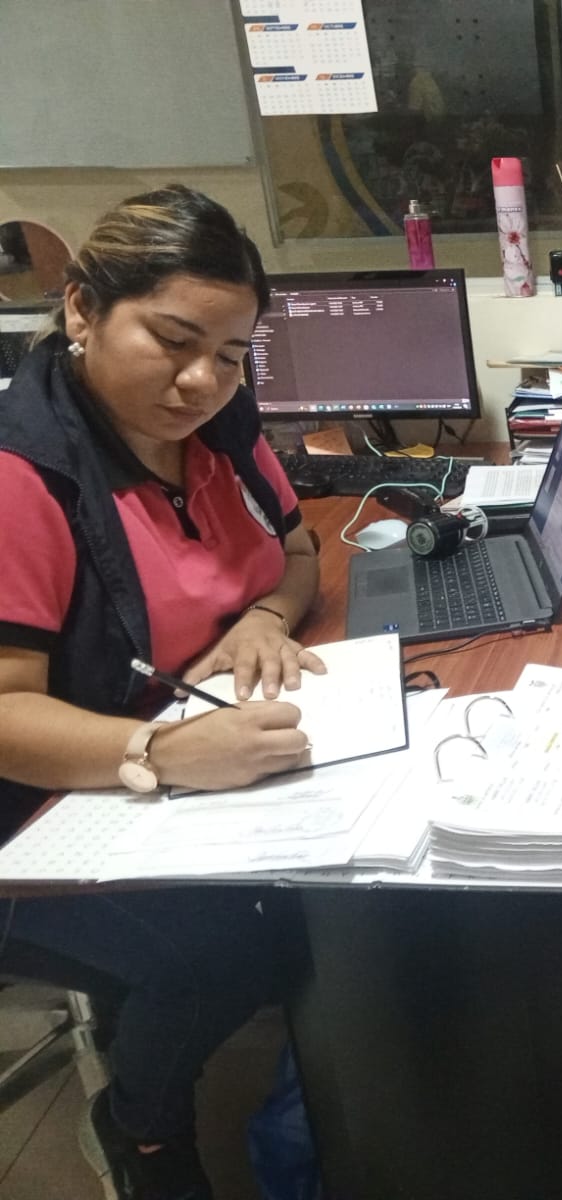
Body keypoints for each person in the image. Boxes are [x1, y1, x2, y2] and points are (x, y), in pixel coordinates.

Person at [0, 186, 323, 1200]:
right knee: (233, 951)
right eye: (173, 341)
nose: (201, 382)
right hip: (35, 813)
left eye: (229, 355)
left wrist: (264, 617)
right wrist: (159, 756)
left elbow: (299, 551)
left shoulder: (220, 429)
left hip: (179, 762)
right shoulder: (22, 478)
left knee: (327, 906)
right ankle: (140, 1127)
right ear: (83, 307)